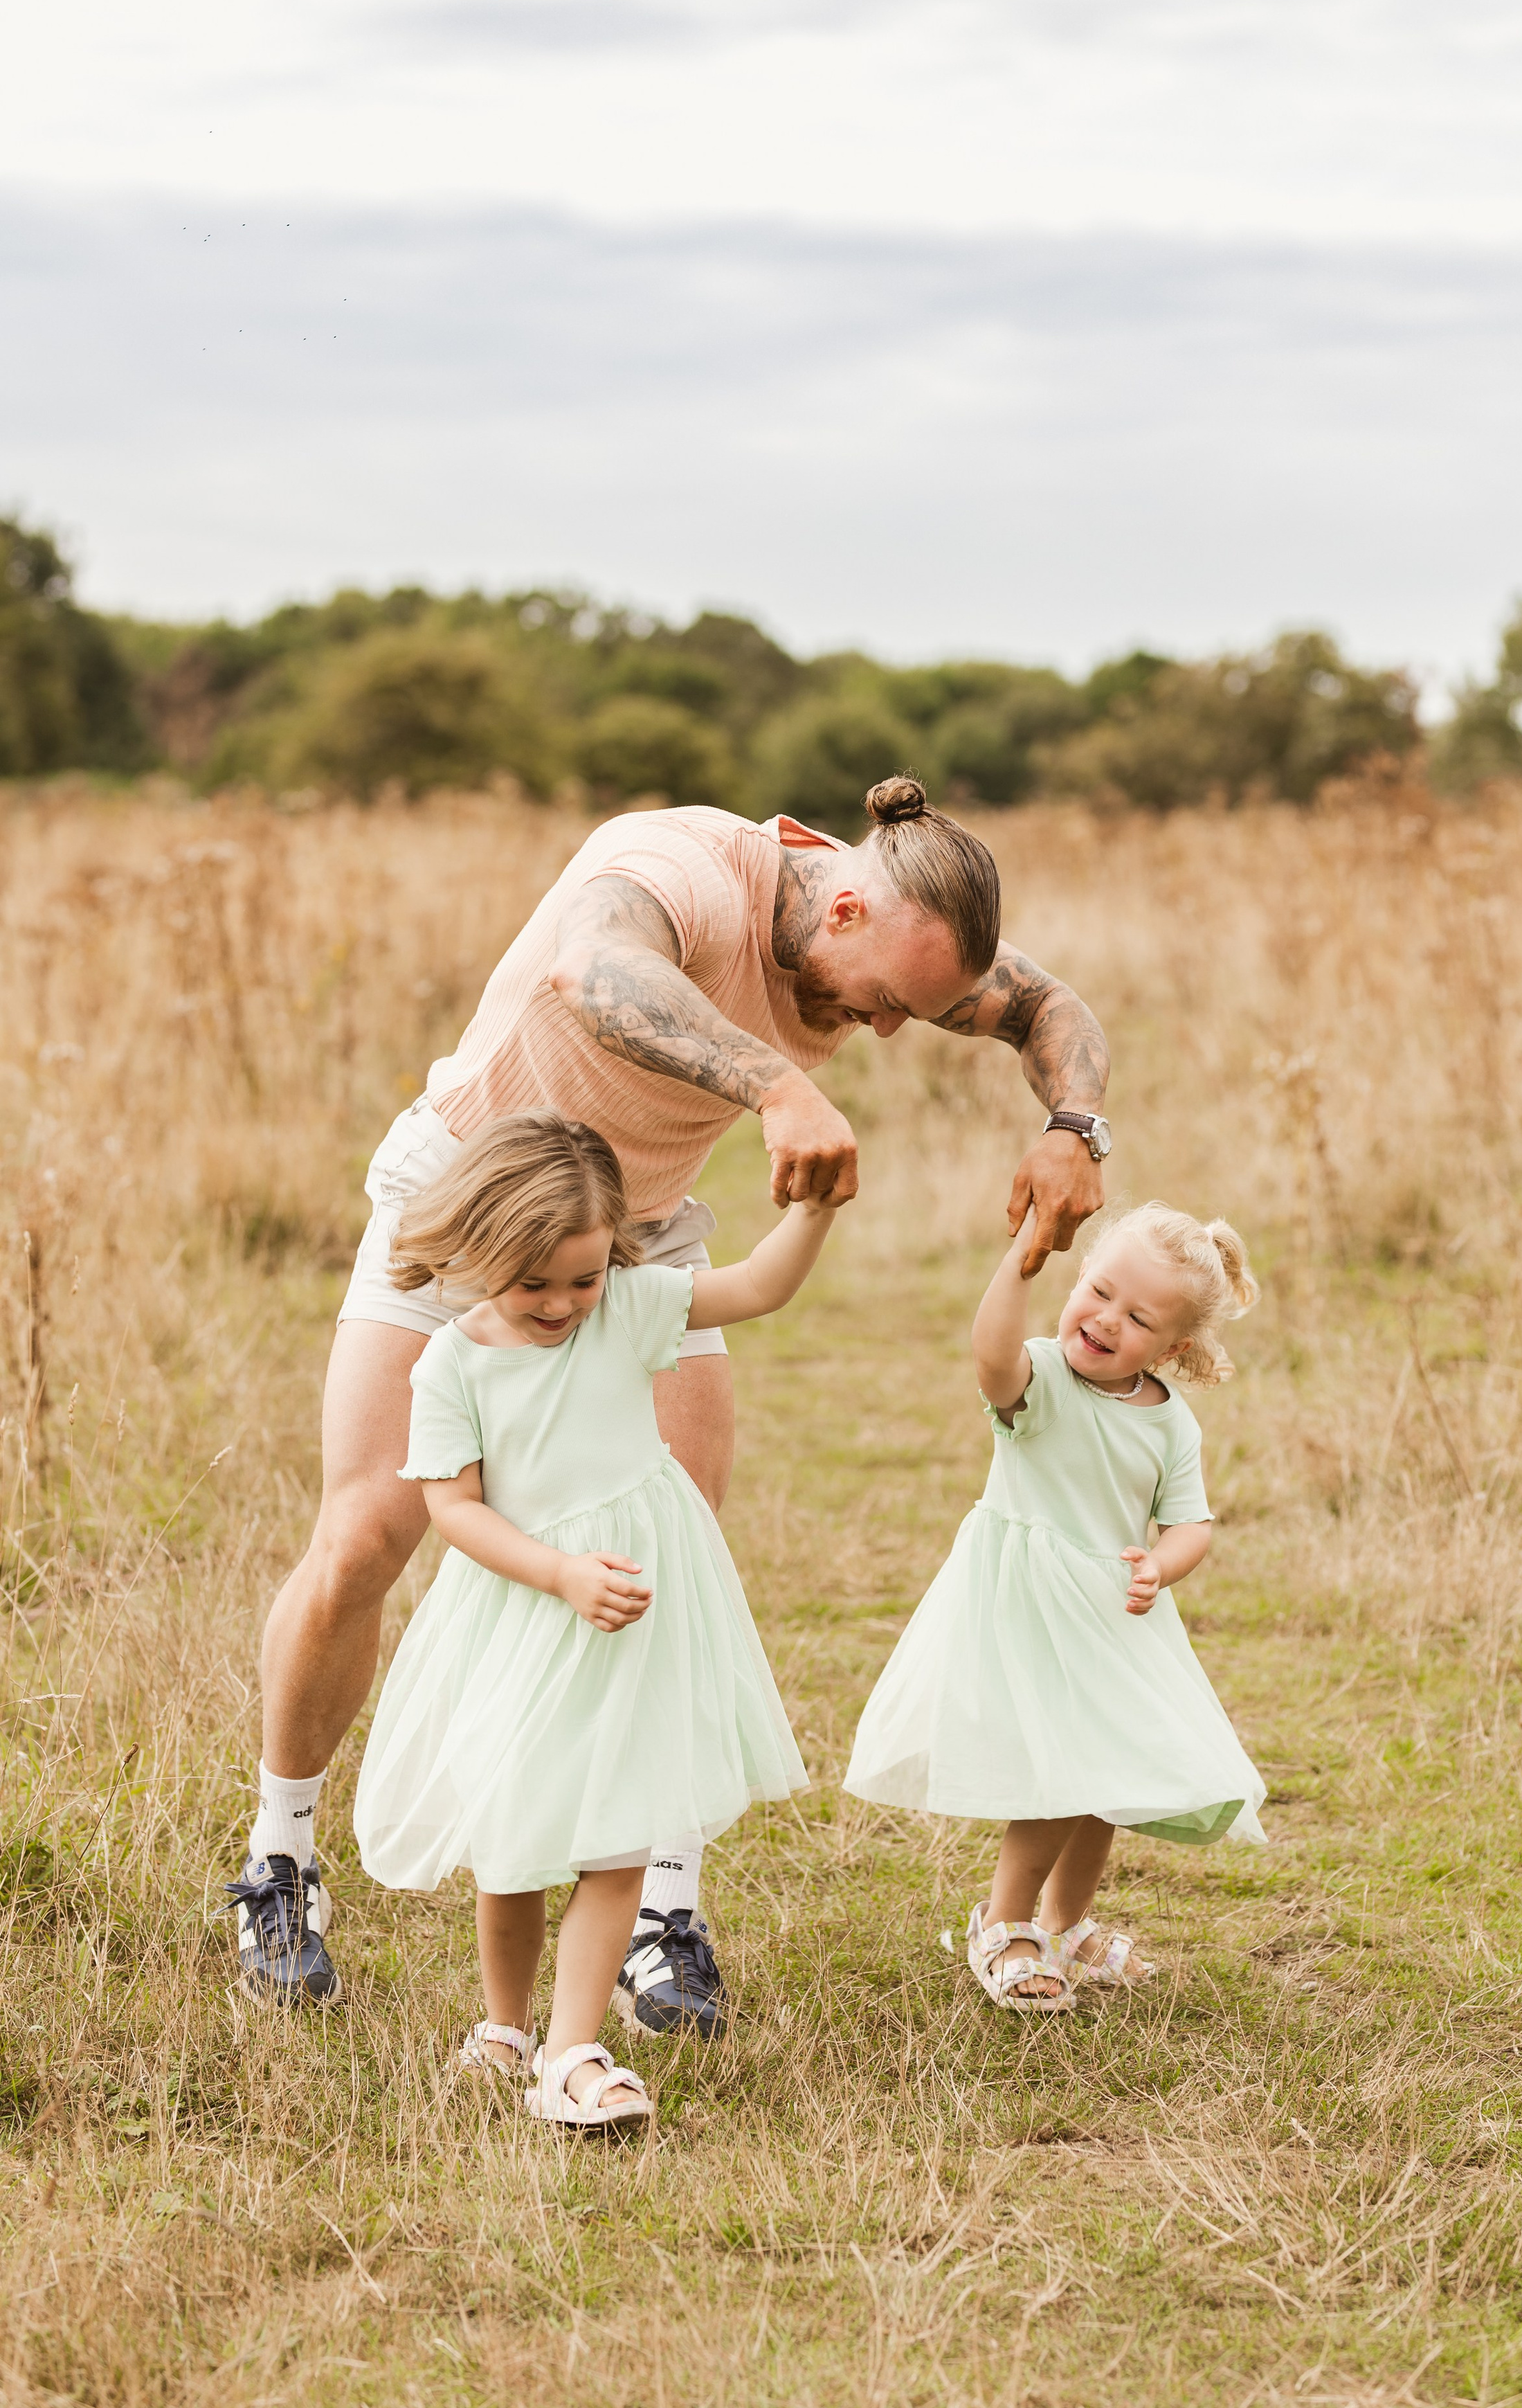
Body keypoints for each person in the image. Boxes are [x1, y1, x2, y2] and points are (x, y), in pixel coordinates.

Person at [229, 775, 1113, 2022]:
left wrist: (1075, 1125)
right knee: (370, 1529)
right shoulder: (685, 867)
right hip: (467, 1200)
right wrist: (776, 1085)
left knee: (671, 1551)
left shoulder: (897, 937)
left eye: (911, 1015)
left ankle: (663, 1909)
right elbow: (595, 968)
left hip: (632, 1239)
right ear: (844, 906)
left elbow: (1050, 1006)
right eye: (880, 1000)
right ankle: (280, 1859)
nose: (883, 1030)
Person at [341, 1110, 832, 2128]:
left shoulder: (629, 1310)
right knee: (515, 1840)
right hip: (527, 1611)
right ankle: (505, 2028)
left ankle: (572, 2052)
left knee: (620, 1836)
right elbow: (454, 1509)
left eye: (585, 1277)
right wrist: (559, 1573)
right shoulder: (452, 1365)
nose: (564, 1304)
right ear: (480, 1251)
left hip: (632, 1611)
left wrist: (814, 1214)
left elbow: (756, 1286)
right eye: (534, 1284)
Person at [843, 1201, 1267, 2010]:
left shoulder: (1169, 1423)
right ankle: (1003, 1926)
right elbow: (990, 1355)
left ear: (1172, 1349)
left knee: (1108, 1772)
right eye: (1099, 1292)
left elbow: (1191, 1523)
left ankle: (1066, 1926)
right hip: (1029, 1607)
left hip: (1109, 1615)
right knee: (1061, 1777)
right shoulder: (1042, 1380)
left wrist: (1161, 1565)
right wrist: (1021, 1261)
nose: (1106, 1320)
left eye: (1137, 1318)